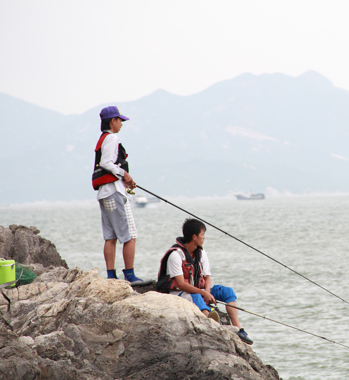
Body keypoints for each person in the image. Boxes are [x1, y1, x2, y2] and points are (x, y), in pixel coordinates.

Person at [157, 218, 254, 345]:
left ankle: (238, 329)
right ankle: (208, 321)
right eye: (202, 234)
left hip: (200, 291)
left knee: (227, 292)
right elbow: (181, 284)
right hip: (180, 294)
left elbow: (207, 278)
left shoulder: (201, 253)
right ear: (194, 237)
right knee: (197, 295)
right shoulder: (176, 255)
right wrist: (203, 294)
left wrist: (207, 292)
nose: (204, 238)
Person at [92, 106, 148, 285]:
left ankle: (111, 275)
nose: (121, 123)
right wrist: (125, 174)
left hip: (104, 193)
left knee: (110, 236)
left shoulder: (102, 139)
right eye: (119, 120)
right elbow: (107, 163)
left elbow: (104, 164)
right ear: (112, 121)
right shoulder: (112, 138)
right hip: (114, 193)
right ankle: (130, 275)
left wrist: (124, 178)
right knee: (130, 234)